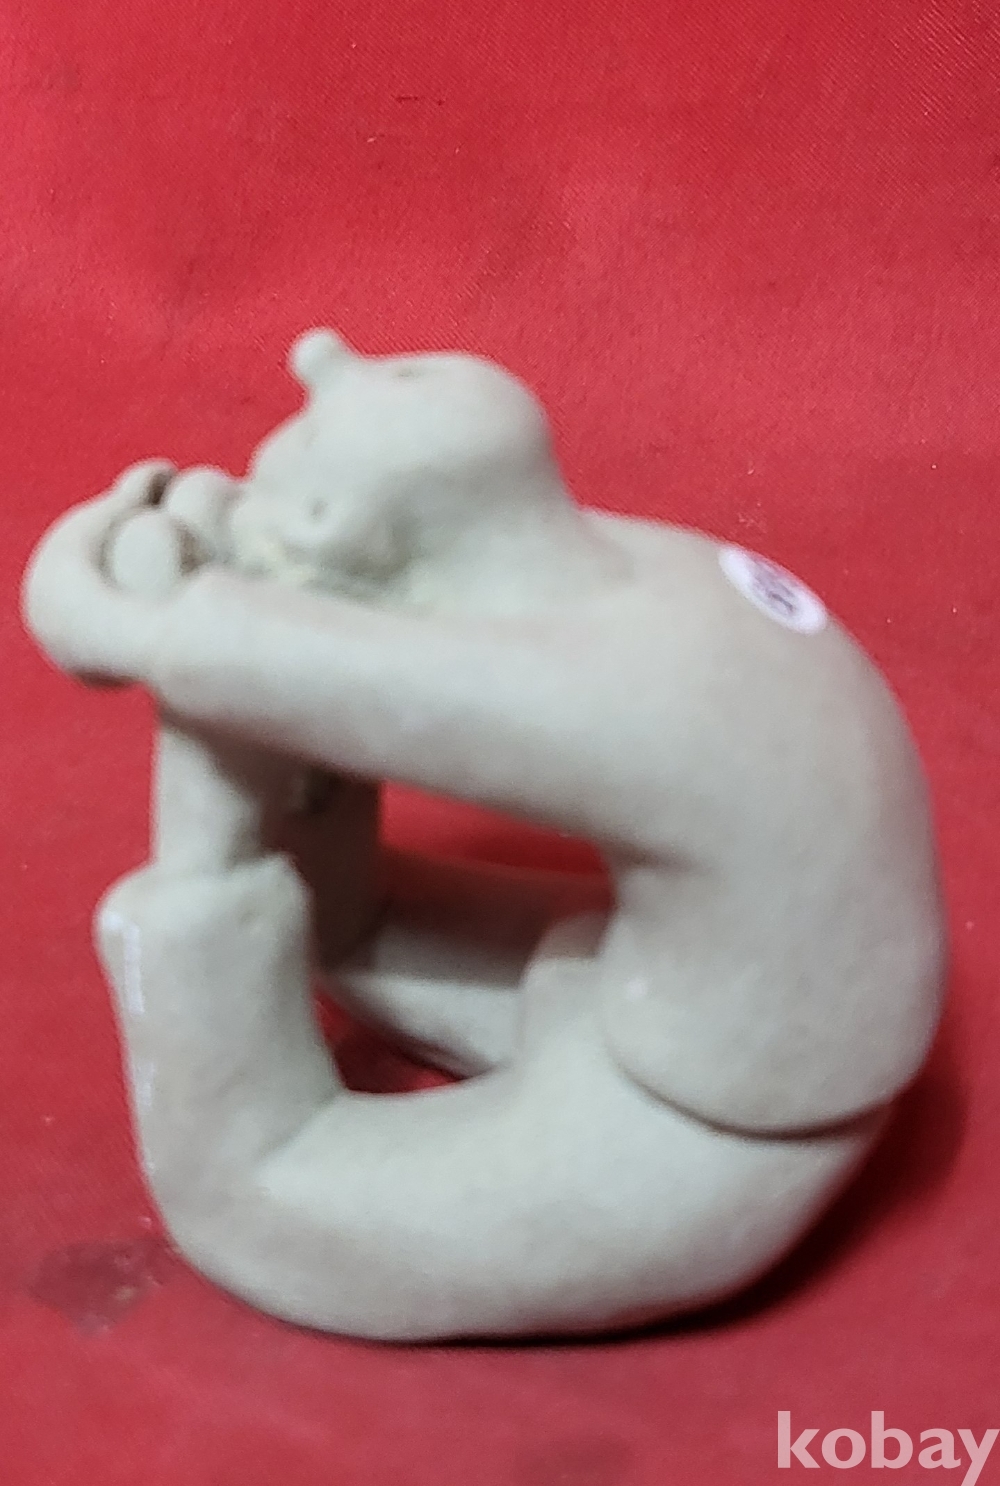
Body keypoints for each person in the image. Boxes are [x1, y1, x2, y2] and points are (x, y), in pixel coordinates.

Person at [20, 330, 945, 1339]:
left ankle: (256, 1131)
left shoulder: (616, 698)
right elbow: (362, 655)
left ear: (333, 522)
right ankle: (335, 919)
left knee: (255, 1192)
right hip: (684, 991)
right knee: (351, 924)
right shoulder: (639, 573)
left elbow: (141, 638)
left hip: (715, 1126)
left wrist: (148, 597)